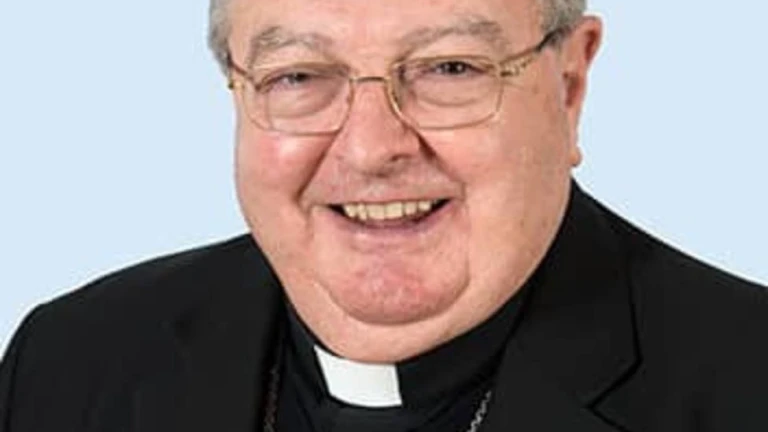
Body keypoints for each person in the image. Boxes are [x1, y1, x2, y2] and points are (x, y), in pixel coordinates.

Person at [1, 0, 767, 430]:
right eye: (299, 76)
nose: (371, 148)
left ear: (568, 87)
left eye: (450, 69)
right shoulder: (69, 361)